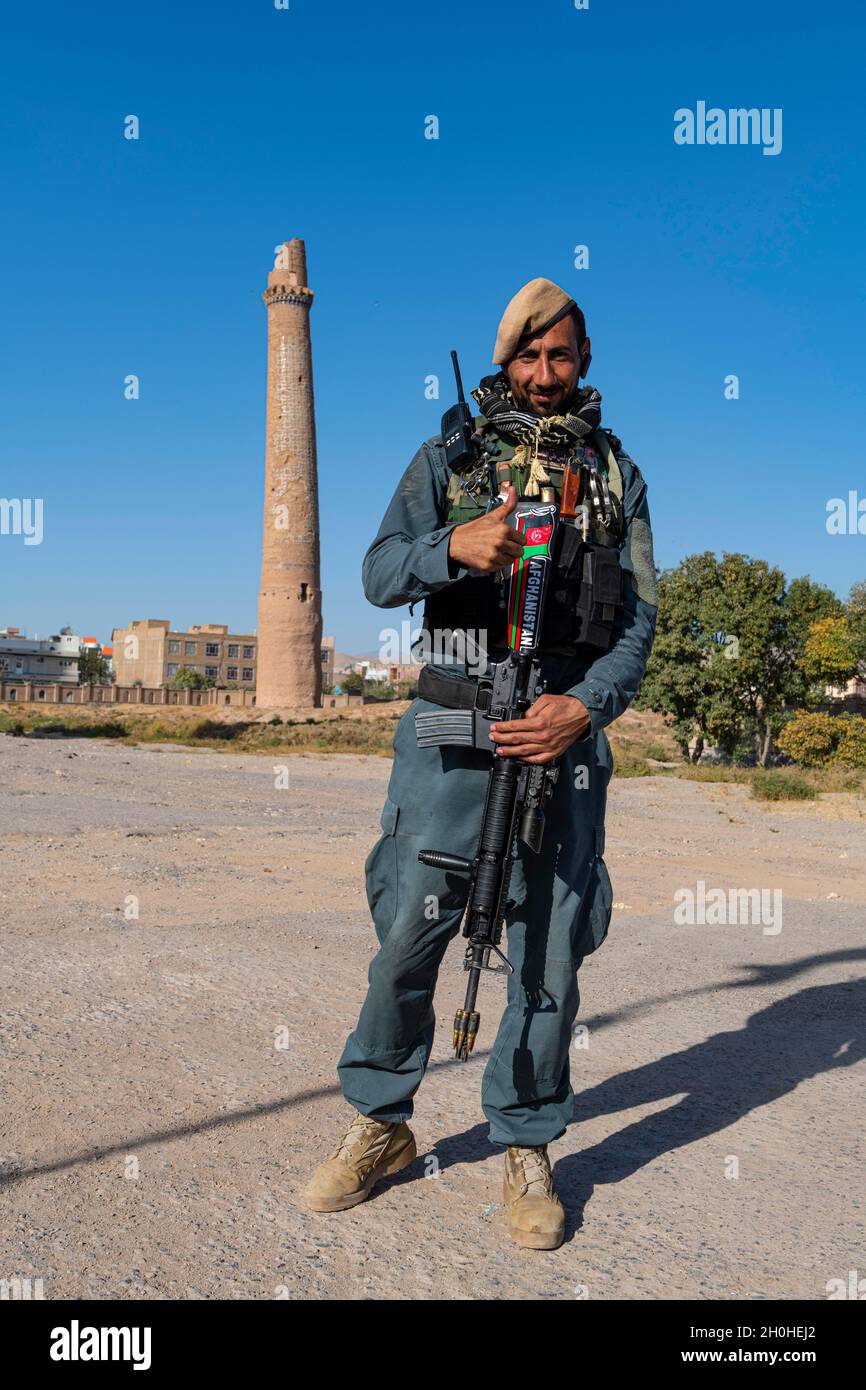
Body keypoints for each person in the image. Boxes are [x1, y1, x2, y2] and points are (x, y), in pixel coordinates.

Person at [303, 278, 658, 1249]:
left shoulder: (616, 476)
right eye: (527, 357)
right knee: (409, 936)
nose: (544, 375)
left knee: (549, 946)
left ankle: (526, 1142)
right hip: (451, 723)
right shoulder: (446, 458)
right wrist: (451, 545)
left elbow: (637, 623)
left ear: (583, 361)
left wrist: (581, 708)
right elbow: (376, 572)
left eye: (562, 356)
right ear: (502, 361)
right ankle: (379, 1119)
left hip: (561, 739)